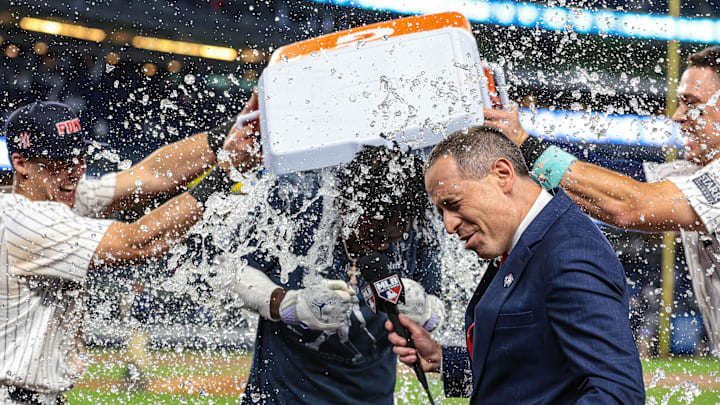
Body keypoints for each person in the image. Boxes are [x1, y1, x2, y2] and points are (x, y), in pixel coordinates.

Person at [0, 99, 260, 404]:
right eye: (60, 162)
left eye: (79, 158)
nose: (74, 172)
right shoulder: (21, 219)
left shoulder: (55, 197)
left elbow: (153, 174)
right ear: (20, 163)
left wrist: (234, 133)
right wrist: (226, 173)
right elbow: (141, 241)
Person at [484, 46, 720, 354]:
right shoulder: (693, 169)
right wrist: (522, 146)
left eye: (692, 104)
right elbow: (604, 177)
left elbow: (631, 206)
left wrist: (527, 147)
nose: (678, 116)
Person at [387, 126, 645, 404]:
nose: (449, 225)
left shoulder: (569, 253)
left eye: (453, 203)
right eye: (441, 212)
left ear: (502, 174)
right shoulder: (531, 238)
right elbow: (536, 370)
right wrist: (443, 359)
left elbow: (617, 395)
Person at [232, 145, 445, 404]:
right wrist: (289, 305)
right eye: (375, 232)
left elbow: (438, 306)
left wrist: (426, 311)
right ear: (347, 206)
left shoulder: (422, 223)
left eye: (394, 235)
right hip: (284, 394)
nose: (382, 245)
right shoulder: (299, 200)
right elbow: (234, 272)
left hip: (372, 396)